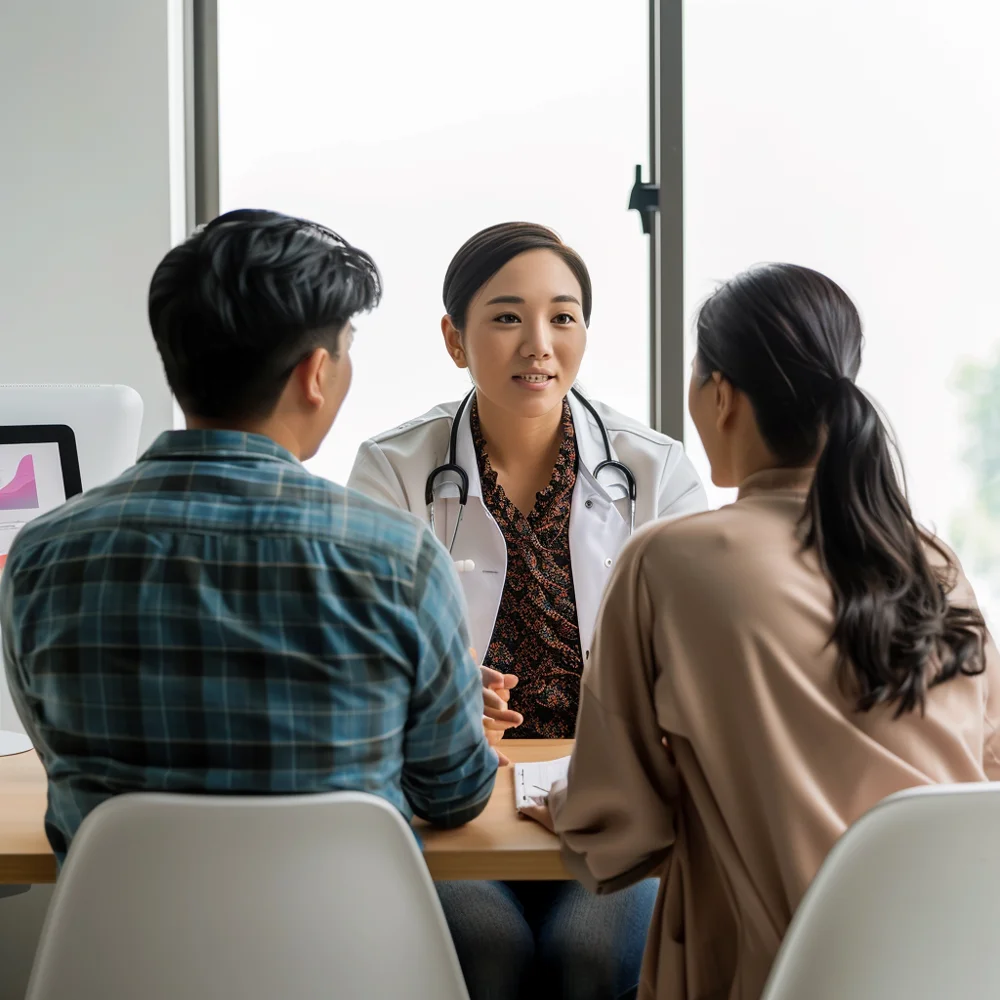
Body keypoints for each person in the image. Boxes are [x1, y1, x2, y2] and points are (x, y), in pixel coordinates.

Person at [523, 263, 1000, 1000]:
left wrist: (561, 801)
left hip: (771, 977)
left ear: (721, 396)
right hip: (948, 970)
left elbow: (618, 827)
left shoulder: (668, 560)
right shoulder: (933, 562)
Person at [0, 209, 504, 866]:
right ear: (315, 374)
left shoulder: (40, 556)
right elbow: (454, 794)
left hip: (122, 964)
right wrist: (449, 707)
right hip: (347, 962)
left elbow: (62, 761)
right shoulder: (397, 559)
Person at [347, 222, 707, 1000]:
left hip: (610, 809)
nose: (539, 345)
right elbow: (360, 667)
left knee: (587, 957)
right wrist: (439, 699)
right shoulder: (392, 470)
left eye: (563, 317)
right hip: (451, 809)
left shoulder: (655, 469)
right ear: (454, 337)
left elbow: (697, 668)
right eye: (507, 317)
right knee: (487, 948)